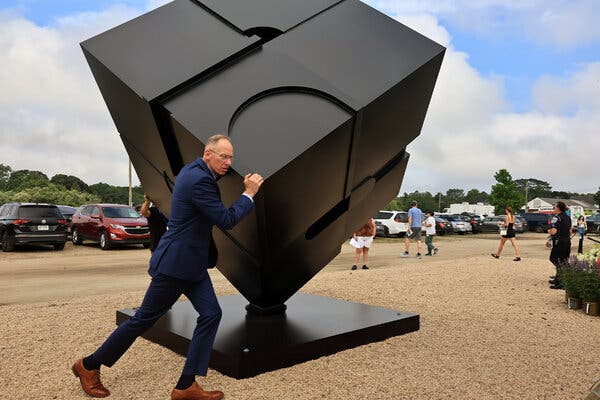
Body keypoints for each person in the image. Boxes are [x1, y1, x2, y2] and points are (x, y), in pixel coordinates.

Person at [71, 134, 264, 400]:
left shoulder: (193, 170)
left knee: (211, 314)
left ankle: (185, 385)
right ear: (208, 154)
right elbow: (226, 219)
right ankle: (89, 365)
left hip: (193, 265)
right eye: (224, 157)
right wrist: (249, 193)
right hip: (176, 265)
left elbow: (211, 190)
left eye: (231, 157)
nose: (229, 163)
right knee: (143, 320)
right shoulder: (200, 180)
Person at [548, 201, 571, 289]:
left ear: (558, 208)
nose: (554, 208)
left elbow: (554, 231)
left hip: (559, 241)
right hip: (567, 241)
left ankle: (560, 282)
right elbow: (570, 230)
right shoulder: (568, 217)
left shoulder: (556, 218)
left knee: (554, 259)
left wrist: (549, 232)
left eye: (555, 207)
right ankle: (559, 279)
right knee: (563, 260)